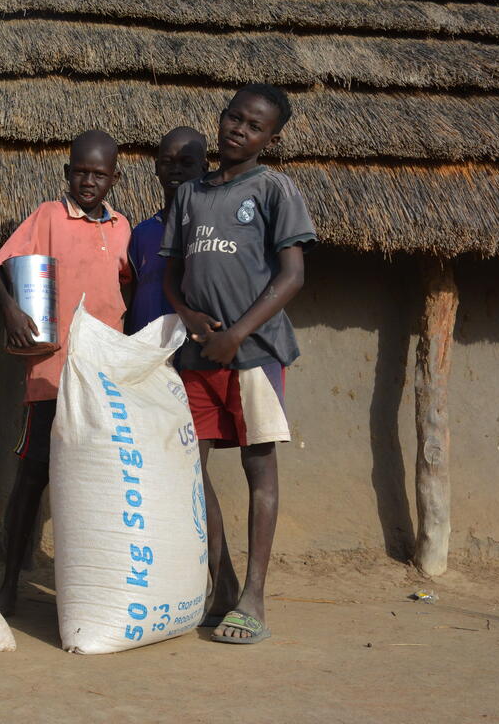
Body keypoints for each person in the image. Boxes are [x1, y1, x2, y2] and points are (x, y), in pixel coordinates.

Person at [161, 83, 317, 645]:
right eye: (234, 119)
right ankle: (220, 584)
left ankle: (253, 596)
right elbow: (171, 275)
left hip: (255, 353)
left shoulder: (275, 190)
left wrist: (238, 334)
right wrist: (189, 317)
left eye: (254, 127)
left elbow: (292, 276)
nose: (238, 131)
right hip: (199, 354)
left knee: (259, 470)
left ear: (270, 138)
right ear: (221, 118)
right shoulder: (191, 195)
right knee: (190, 468)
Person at [0, 130, 133, 616]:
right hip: (51, 369)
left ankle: (93, 587)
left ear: (115, 177)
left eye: (99, 174)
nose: (88, 181)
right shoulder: (49, 216)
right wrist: (10, 311)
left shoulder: (122, 228)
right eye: (81, 171)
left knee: (98, 477)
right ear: (67, 171)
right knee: (32, 475)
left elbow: (126, 286)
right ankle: (10, 580)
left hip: (102, 377)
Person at [126, 127, 208, 334]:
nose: (175, 169)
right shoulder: (142, 233)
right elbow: (134, 293)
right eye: (167, 162)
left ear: (204, 167)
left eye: (186, 163)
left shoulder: (211, 229)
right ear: (156, 167)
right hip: (147, 352)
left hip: (195, 349)